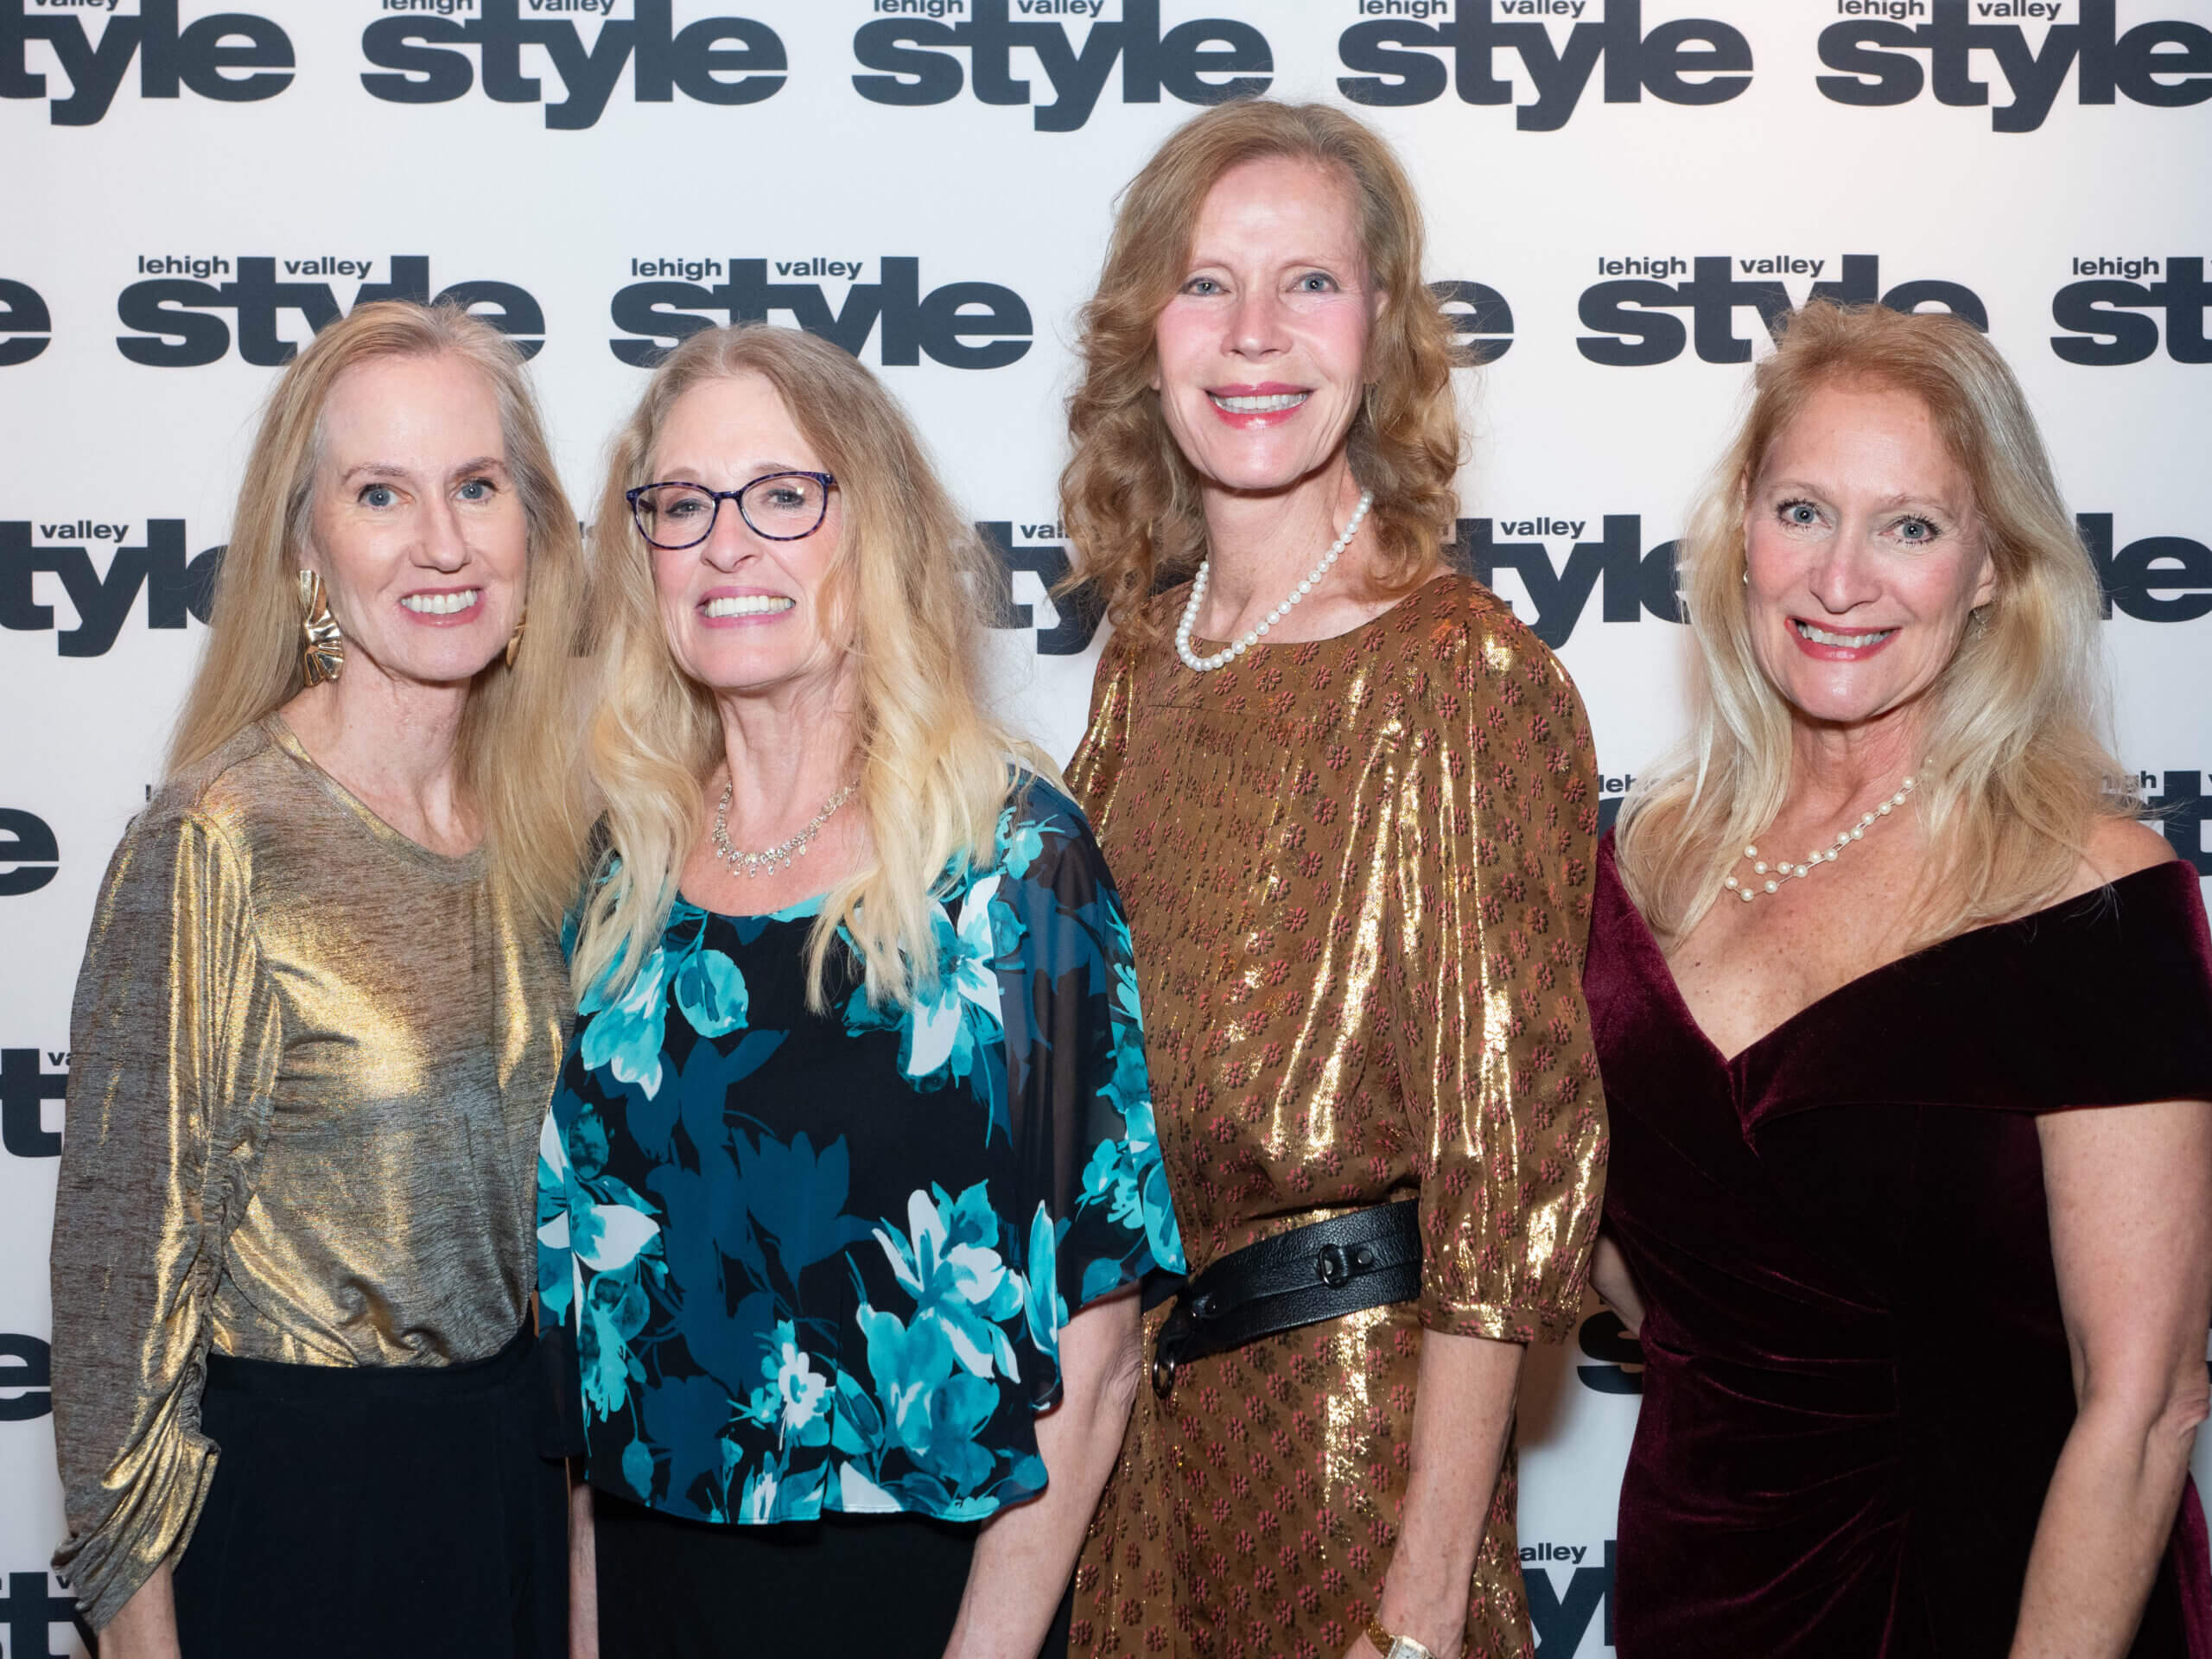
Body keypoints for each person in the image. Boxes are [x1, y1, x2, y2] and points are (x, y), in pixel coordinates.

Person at [537, 321, 1182, 1659]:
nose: (727, 544)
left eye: (783, 496)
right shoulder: (614, 885)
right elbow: (586, 1393)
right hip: (665, 1598)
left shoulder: (1013, 867)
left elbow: (1101, 1344)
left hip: (932, 1608)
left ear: (874, 529)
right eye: (681, 505)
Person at [1058, 99, 1608, 1659]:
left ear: (1381, 331)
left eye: (1308, 283)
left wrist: (1424, 1603)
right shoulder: (1140, 663)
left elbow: (1502, 1180)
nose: (1253, 336)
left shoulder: (1461, 678)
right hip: (1140, 1444)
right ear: (1143, 335)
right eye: (1204, 283)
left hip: (1348, 1465)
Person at [1587, 300, 2212, 1656]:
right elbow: (1657, 1279)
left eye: (1910, 528)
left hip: (1985, 1594)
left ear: (1993, 566)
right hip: (1702, 1584)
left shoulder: (2094, 901)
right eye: (1801, 510)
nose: (1839, 579)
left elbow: (2147, 1397)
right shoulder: (1651, 866)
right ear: (1739, 529)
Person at [48, 301, 590, 1657]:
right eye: (380, 495)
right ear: (307, 548)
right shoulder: (220, 840)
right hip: (301, 1529)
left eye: (477, 486)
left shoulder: (557, 827)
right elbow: (120, 1326)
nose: (445, 544)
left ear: (534, 526)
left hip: (507, 1491)